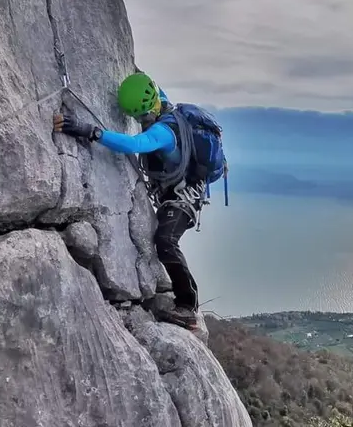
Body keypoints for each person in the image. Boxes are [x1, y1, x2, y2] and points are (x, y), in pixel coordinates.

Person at [53, 72, 226, 330]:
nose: (142, 120)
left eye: (142, 116)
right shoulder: (161, 100)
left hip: (186, 194)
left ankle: (188, 307)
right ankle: (183, 298)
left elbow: (133, 143)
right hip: (176, 190)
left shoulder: (164, 132)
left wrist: (90, 131)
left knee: (165, 240)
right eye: (140, 117)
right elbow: (148, 85)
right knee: (164, 241)